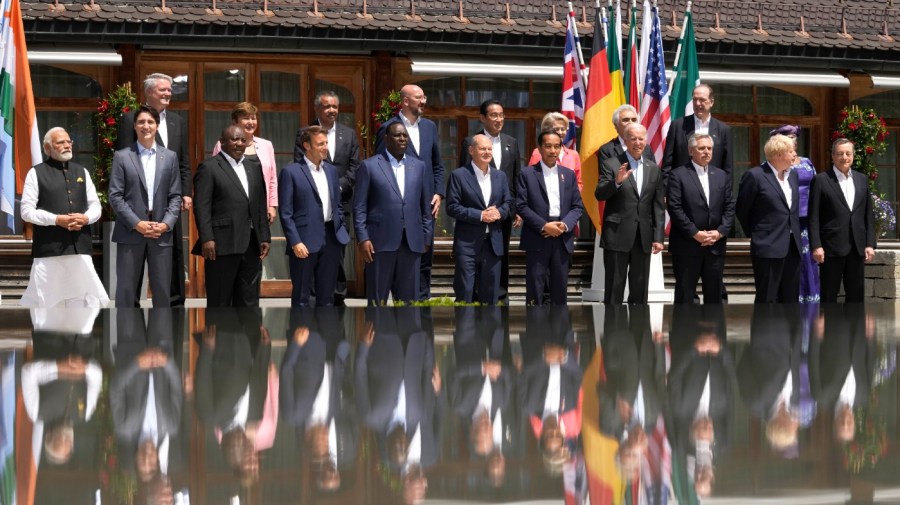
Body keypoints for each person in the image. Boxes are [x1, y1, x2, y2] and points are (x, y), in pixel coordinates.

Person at [117, 73, 191, 307]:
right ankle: (133, 318)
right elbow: (123, 161)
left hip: (169, 200)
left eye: (170, 90)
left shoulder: (178, 121)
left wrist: (185, 192)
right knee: (134, 265)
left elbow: (184, 161)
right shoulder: (131, 119)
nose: (168, 93)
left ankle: (175, 304)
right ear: (149, 92)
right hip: (138, 203)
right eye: (163, 90)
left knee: (173, 253)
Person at [20, 127, 109, 308]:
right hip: (49, 251)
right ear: (47, 148)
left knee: (86, 304)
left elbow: (96, 207)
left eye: (69, 141)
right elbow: (26, 211)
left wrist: (85, 218)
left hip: (80, 249)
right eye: (60, 142)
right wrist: (56, 220)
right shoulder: (36, 173)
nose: (67, 145)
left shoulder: (81, 171)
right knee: (48, 305)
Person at [375, 84, 444, 301]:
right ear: (405, 101)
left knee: (424, 258)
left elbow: (437, 165)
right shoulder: (388, 127)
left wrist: (438, 193)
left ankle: (421, 310)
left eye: (424, 97)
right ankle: (399, 311)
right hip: (401, 207)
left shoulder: (430, 127)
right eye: (418, 98)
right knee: (401, 259)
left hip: (426, 207)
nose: (423, 101)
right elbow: (380, 168)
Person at [109, 106, 182, 308]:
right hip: (131, 231)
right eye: (141, 122)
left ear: (157, 126)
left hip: (161, 233)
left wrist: (166, 224)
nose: (146, 126)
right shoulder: (122, 156)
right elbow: (115, 195)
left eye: (150, 122)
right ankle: (128, 338)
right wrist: (136, 223)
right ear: (134, 126)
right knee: (126, 293)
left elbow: (175, 196)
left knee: (162, 293)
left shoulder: (170, 157)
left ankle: (161, 338)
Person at [192, 125, 271, 307]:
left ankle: (247, 335)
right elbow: (201, 207)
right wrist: (207, 238)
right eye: (234, 139)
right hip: (221, 245)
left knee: (249, 302)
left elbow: (259, 203)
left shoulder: (253, 166)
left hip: (251, 245)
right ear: (222, 142)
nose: (239, 143)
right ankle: (219, 336)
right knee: (220, 301)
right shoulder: (209, 167)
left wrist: (264, 236)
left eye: (243, 140)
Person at [355, 122, 433, 305]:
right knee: (377, 304)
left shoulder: (419, 167)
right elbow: (359, 207)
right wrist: (363, 238)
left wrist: (427, 237)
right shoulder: (369, 166)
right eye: (398, 135)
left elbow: (425, 207)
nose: (403, 139)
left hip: (411, 243)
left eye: (405, 136)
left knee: (408, 304)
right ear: (386, 139)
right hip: (379, 243)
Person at [295, 90, 361, 304]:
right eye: (326, 106)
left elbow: (354, 167)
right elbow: (300, 166)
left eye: (335, 106)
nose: (332, 110)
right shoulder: (305, 133)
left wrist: (336, 187)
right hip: (312, 206)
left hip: (341, 206)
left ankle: (338, 297)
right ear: (317, 109)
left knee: (337, 254)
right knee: (313, 253)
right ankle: (316, 298)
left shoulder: (348, 134)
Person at [278, 126, 350, 307]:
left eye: (326, 143)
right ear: (306, 146)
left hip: (332, 239)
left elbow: (337, 204)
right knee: (303, 298)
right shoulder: (291, 172)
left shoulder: (332, 171)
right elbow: (286, 213)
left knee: (327, 299)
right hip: (304, 242)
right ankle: (300, 333)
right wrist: (295, 242)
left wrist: (339, 226)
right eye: (320, 144)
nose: (325, 147)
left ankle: (324, 334)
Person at [459, 99, 523, 300]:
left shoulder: (511, 142)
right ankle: (477, 297)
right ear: (482, 118)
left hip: (503, 212)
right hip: (477, 215)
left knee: (501, 255)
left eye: (502, 115)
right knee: (478, 258)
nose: (499, 119)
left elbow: (516, 177)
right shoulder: (471, 142)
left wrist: (516, 209)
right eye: (494, 115)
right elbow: (464, 178)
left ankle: (500, 297)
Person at [595, 122, 665, 304]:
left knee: (640, 294)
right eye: (633, 138)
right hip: (617, 236)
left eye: (641, 138)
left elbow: (658, 206)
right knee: (613, 293)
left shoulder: (653, 168)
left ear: (646, 141)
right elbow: (599, 194)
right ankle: (612, 331)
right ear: (625, 140)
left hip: (643, 238)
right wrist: (616, 182)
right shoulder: (611, 164)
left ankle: (638, 330)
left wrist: (658, 237)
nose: (637, 142)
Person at [517, 130, 584, 306]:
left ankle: (560, 332)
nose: (552, 150)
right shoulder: (527, 174)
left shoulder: (568, 175)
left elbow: (577, 207)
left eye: (556, 146)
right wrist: (545, 226)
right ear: (539, 148)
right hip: (537, 237)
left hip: (562, 238)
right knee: (535, 291)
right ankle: (535, 330)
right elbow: (521, 206)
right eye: (548, 146)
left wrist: (564, 225)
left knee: (560, 291)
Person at [666, 132, 735, 303]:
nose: (706, 152)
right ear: (691, 151)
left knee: (715, 297)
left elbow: (729, 206)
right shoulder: (678, 175)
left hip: (715, 246)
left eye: (709, 148)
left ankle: (714, 329)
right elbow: (674, 208)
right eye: (701, 148)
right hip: (687, 246)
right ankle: (685, 330)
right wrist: (695, 233)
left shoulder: (721, 175)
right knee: (685, 296)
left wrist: (720, 232)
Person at [446, 134, 513, 304]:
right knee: (465, 294)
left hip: (493, 244)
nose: (487, 152)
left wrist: (500, 213)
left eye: (489, 149)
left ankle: (488, 331)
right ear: (471, 150)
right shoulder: (459, 175)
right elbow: (452, 207)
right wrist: (481, 215)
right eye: (482, 148)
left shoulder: (500, 176)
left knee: (491, 297)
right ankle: (465, 330)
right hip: (467, 244)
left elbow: (508, 202)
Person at [736, 134, 802, 303]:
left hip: (793, 247)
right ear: (778, 154)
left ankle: (788, 330)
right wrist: (758, 234)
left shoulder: (793, 176)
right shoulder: (755, 176)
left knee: (790, 299)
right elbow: (742, 209)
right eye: (791, 151)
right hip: (767, 246)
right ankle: (764, 331)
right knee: (768, 299)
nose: (795, 155)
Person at [809, 138, 876, 303]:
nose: (844, 157)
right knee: (829, 297)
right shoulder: (821, 180)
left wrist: (869, 243)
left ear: (853, 156)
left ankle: (855, 329)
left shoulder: (862, 180)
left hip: (857, 248)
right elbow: (813, 216)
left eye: (848, 153)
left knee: (856, 298)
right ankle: (830, 330)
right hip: (831, 248)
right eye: (840, 153)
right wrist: (816, 245)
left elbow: (868, 214)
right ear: (832, 156)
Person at [769, 125, 820, 302]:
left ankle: (811, 303)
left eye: (793, 137)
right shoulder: (775, 164)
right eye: (786, 137)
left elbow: (816, 189)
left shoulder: (807, 162)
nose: (791, 139)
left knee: (808, 261)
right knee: (791, 263)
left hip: (808, 220)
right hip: (786, 222)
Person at [213, 102, 278, 224]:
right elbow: (215, 176)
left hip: (260, 207)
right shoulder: (222, 145)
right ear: (235, 122)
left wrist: (272, 206)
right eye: (246, 118)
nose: (251, 122)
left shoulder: (266, 145)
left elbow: (273, 178)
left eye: (253, 118)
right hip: (231, 208)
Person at [662, 84, 733, 183]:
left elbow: (728, 167)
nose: (697, 103)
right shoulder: (678, 126)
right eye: (694, 100)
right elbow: (667, 163)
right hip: (682, 189)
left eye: (702, 100)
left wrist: (727, 196)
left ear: (711, 102)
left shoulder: (723, 130)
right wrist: (666, 191)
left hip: (712, 189)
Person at [528, 112, 583, 191]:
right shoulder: (538, 153)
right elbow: (531, 179)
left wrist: (572, 196)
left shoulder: (574, 155)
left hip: (568, 201)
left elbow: (579, 182)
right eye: (556, 129)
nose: (560, 133)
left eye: (563, 129)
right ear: (547, 131)